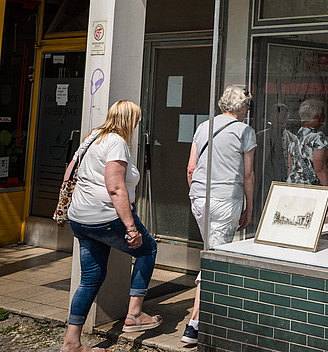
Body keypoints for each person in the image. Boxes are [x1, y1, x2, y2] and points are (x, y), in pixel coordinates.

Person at [61, 100, 160, 352]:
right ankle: (135, 314)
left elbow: (69, 172)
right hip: (106, 216)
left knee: (90, 279)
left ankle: (71, 343)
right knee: (147, 249)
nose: (138, 124)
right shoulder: (116, 142)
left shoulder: (92, 137)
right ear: (129, 120)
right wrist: (131, 227)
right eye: (137, 119)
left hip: (81, 218)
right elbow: (115, 188)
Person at [182, 85, 256, 346]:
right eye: (247, 105)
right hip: (225, 199)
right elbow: (248, 174)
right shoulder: (245, 131)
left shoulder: (204, 127)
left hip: (200, 197)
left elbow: (191, 168)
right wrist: (249, 207)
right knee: (213, 258)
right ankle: (195, 324)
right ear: (241, 107)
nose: (247, 110)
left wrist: (197, 193)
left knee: (211, 250)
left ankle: (206, 316)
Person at [286, 98, 328, 186]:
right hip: (311, 188)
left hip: (292, 187)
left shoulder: (295, 138)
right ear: (315, 118)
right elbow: (320, 169)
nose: (324, 116)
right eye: (322, 113)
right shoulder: (318, 138)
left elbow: (290, 166)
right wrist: (327, 189)